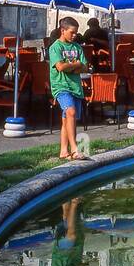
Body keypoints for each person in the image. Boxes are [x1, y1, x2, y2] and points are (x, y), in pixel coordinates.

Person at [49, 17, 89, 161]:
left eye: (76, 33)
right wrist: (75, 65)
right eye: (72, 33)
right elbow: (60, 67)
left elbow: (85, 67)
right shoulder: (56, 47)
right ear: (63, 30)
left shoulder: (77, 47)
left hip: (75, 87)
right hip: (61, 86)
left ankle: (63, 151)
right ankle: (75, 149)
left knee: (68, 118)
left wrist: (71, 67)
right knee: (70, 112)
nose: (74, 36)